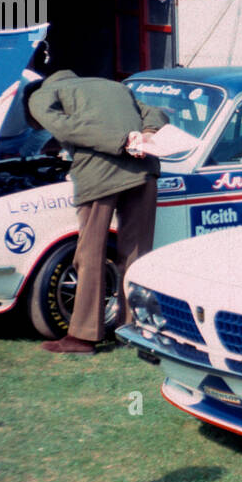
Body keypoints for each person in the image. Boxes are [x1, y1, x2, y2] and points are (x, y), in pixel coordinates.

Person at [25, 55, 168, 354]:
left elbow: (66, 130)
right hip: (145, 171)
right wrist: (146, 136)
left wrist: (122, 141)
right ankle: (133, 330)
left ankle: (82, 337)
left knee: (89, 254)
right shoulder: (114, 87)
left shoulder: (41, 95)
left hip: (98, 173)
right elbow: (155, 112)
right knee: (136, 254)